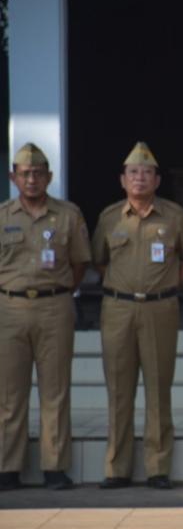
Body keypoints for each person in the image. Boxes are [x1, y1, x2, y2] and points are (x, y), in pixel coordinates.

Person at [92, 142, 183, 490]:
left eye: (147, 173)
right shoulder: (110, 217)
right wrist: (123, 284)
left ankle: (158, 468)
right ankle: (117, 468)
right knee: (118, 389)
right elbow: (98, 260)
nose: (139, 178)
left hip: (160, 308)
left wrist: (170, 282)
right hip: (118, 308)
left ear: (157, 180)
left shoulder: (174, 216)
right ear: (122, 180)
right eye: (133, 173)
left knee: (158, 388)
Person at [0, 143, 90, 491]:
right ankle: (8, 467)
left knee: (55, 390)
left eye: (38, 173)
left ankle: (55, 467)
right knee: (9, 393)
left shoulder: (68, 215)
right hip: (10, 309)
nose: (32, 179)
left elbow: (79, 263)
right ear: (13, 178)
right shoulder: (3, 216)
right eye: (25, 174)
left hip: (54, 307)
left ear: (49, 177)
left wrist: (60, 291)